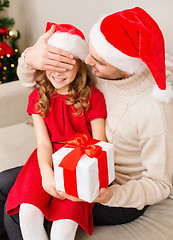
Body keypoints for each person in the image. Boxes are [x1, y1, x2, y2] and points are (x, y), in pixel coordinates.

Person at [1, 6, 173, 240]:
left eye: (98, 60)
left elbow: (160, 185)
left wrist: (109, 195)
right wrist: (29, 56)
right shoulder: (97, 71)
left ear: (122, 66)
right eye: (89, 52)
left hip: (116, 190)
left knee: (17, 213)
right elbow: (37, 82)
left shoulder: (153, 111)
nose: (88, 60)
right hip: (70, 162)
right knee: (3, 185)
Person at [5, 22, 108, 240]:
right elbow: (43, 143)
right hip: (46, 159)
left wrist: (85, 177)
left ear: (80, 65)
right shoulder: (37, 97)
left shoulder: (93, 97)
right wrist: (47, 173)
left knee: (63, 228)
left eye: (66, 65)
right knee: (28, 214)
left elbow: (99, 143)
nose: (58, 73)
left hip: (80, 164)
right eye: (53, 64)